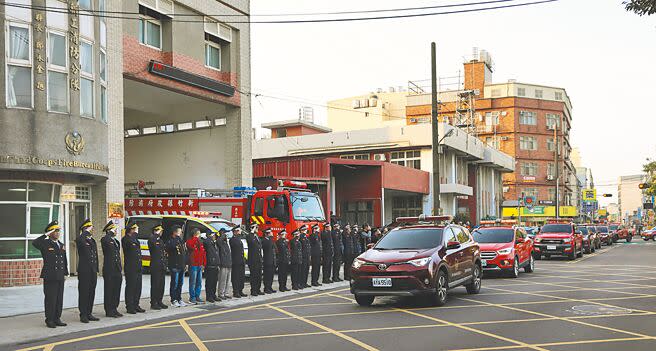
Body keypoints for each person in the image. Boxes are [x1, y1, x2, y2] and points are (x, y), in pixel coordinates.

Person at [33, 220, 68, 328]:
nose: (57, 233)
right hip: (50, 275)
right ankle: (49, 319)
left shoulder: (61, 245)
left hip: (60, 275)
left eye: (58, 231)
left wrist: (65, 273)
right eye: (55, 231)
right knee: (50, 299)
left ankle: (57, 318)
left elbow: (64, 260)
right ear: (50, 232)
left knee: (59, 298)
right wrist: (46, 235)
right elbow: (35, 243)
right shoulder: (45, 243)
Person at [76, 219, 99, 323]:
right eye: (90, 227)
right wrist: (85, 232)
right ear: (86, 228)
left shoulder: (92, 240)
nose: (92, 229)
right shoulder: (81, 239)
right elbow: (79, 240)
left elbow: (95, 256)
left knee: (91, 292)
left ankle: (89, 312)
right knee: (84, 292)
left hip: (92, 270)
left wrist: (96, 268)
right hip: (84, 270)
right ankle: (83, 314)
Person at [101, 221, 123, 318]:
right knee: (109, 290)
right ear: (109, 230)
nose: (116, 231)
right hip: (109, 269)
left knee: (116, 289)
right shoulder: (105, 239)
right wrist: (109, 233)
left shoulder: (115, 241)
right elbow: (106, 241)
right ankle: (109, 310)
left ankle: (114, 308)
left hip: (117, 269)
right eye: (114, 229)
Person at [122, 223, 144, 314]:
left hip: (138, 265)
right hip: (131, 266)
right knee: (131, 286)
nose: (137, 230)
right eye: (136, 229)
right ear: (131, 229)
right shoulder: (126, 239)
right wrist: (133, 235)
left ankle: (136, 304)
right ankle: (130, 306)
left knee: (138, 286)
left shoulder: (135, 239)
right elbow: (128, 247)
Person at [148, 225, 168, 310]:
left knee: (161, 285)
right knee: (155, 284)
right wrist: (155, 235)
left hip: (161, 265)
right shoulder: (152, 239)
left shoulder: (160, 240)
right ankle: (154, 302)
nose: (161, 233)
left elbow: (163, 251)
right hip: (155, 265)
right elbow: (153, 247)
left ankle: (159, 301)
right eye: (160, 231)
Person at [167, 226, 187, 307]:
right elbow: (170, 247)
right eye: (179, 232)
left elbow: (183, 253)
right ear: (174, 232)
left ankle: (179, 298)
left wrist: (185, 264)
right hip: (174, 265)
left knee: (180, 283)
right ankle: (173, 300)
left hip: (181, 265)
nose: (180, 233)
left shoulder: (180, 241)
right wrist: (176, 239)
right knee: (174, 283)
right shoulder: (171, 241)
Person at [186, 228, 206, 304]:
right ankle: (192, 297)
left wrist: (204, 263)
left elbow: (203, 253)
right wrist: (195, 238)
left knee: (199, 282)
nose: (200, 235)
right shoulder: (190, 241)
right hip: (193, 264)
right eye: (199, 233)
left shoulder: (200, 242)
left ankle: (197, 296)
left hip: (199, 264)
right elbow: (190, 246)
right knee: (193, 282)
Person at [203, 229, 221, 303]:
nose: (215, 237)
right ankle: (209, 296)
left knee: (214, 281)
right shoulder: (207, 241)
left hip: (215, 264)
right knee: (209, 281)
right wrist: (209, 237)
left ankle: (213, 295)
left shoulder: (214, 243)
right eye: (213, 235)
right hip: (210, 265)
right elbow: (207, 245)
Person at [246, 223, 264, 296]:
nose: (257, 228)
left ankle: (258, 289)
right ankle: (253, 290)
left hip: (258, 259)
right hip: (253, 260)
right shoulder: (249, 236)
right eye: (256, 227)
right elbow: (251, 242)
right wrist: (252, 231)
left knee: (259, 275)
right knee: (254, 275)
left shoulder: (257, 236)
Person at [230, 227, 247, 298]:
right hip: (236, 261)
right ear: (235, 232)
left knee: (241, 277)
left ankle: (240, 290)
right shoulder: (232, 240)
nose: (240, 232)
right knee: (236, 277)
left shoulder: (239, 239)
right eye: (239, 231)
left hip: (241, 260)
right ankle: (236, 291)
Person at [217, 228, 232, 300]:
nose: (226, 235)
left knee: (228, 280)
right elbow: (218, 241)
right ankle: (221, 293)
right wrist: (222, 236)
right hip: (223, 263)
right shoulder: (220, 241)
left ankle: (226, 293)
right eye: (225, 233)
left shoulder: (226, 242)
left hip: (228, 263)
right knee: (222, 280)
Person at [262, 228, 277, 294]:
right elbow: (268, 246)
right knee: (267, 275)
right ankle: (266, 288)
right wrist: (271, 238)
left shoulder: (271, 240)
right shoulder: (264, 240)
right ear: (266, 234)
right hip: (267, 261)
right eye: (269, 233)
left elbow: (275, 248)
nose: (271, 234)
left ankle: (270, 287)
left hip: (272, 260)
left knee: (271, 275)